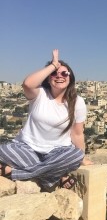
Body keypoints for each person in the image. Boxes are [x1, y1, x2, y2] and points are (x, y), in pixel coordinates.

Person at [0, 49, 92, 190]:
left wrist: (82, 158)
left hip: (58, 152)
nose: (59, 76)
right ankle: (54, 177)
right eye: (54, 74)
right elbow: (27, 84)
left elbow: (77, 133)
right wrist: (53, 65)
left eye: (64, 73)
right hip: (27, 148)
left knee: (75, 155)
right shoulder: (40, 94)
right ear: (48, 78)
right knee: (3, 150)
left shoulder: (77, 102)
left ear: (70, 77)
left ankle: (13, 173)